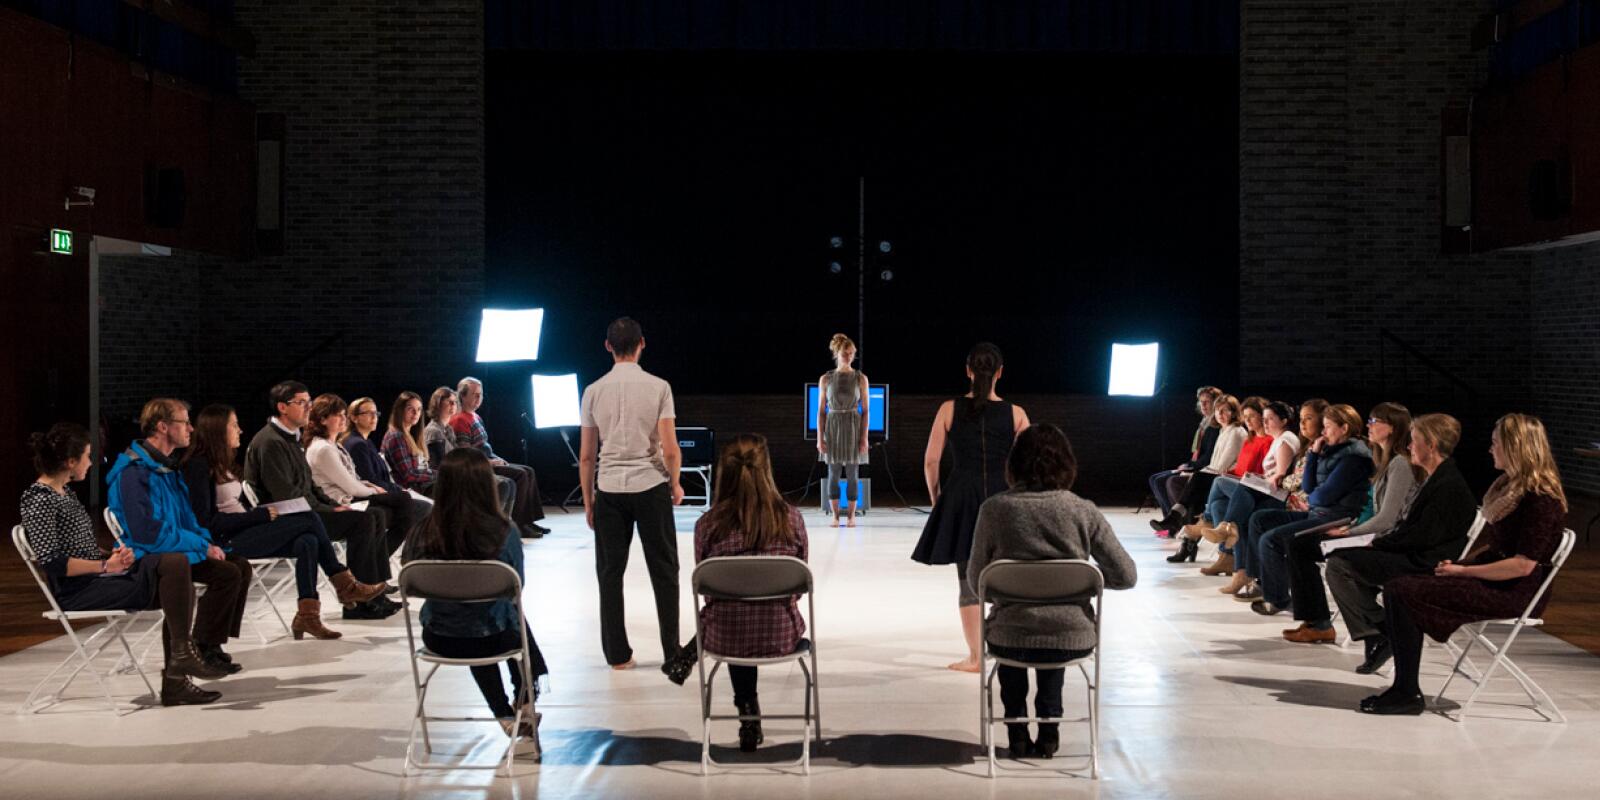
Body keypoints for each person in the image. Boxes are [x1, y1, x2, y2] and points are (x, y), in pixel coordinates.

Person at [1360, 413, 1568, 715]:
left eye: (1495, 443)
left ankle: (1406, 690)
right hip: (1497, 580)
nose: (1490, 449)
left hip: (1515, 591)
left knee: (1402, 590)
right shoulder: (1510, 489)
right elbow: (1498, 547)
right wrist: (1459, 564)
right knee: (1402, 586)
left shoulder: (1539, 499)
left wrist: (1463, 570)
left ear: (1515, 446)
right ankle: (1404, 687)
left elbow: (1522, 565)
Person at [22, 423, 228, 706]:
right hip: (77, 590)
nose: (91, 463)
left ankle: (178, 672)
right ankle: (179, 667)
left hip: (97, 577)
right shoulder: (39, 500)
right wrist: (106, 567)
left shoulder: (65, 493)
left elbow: (79, 546)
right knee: (175, 576)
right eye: (87, 456)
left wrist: (111, 555)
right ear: (70, 462)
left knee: (179, 578)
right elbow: (53, 562)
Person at [968, 424, 1137, 759]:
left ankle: (1016, 734)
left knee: (1019, 638)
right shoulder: (1082, 509)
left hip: (1008, 636)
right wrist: (1084, 579)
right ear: (1066, 464)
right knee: (1054, 634)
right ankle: (1049, 733)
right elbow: (1126, 574)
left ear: (1014, 463)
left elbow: (977, 583)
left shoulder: (995, 509)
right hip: (1071, 637)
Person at [183, 404, 386, 640]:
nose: (239, 430)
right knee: (309, 519)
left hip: (245, 527)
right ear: (217, 431)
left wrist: (258, 514)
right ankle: (343, 582)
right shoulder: (198, 467)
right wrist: (259, 515)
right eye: (234, 425)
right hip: (224, 540)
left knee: (308, 540)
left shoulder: (222, 464)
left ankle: (308, 615)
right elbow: (207, 521)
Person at [403, 448, 549, 738]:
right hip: (494, 639)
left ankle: (503, 712)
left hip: (439, 639)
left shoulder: (422, 530)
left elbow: (409, 578)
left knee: (473, 621)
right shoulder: (503, 530)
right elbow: (516, 585)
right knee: (506, 620)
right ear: (487, 484)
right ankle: (525, 696)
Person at [106, 399, 252, 677]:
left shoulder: (167, 468)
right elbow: (147, 533)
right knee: (223, 572)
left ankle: (207, 645)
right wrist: (199, 545)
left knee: (237, 567)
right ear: (163, 426)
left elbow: (188, 519)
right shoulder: (134, 472)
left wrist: (206, 543)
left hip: (176, 549)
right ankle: (191, 654)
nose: (191, 428)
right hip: (148, 555)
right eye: (184, 422)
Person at [911, 343, 1032, 673]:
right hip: (1004, 497)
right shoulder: (1017, 414)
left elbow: (931, 461)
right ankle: (1011, 645)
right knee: (1007, 573)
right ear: (1000, 373)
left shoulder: (949, 408)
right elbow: (1029, 465)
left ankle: (977, 658)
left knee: (968, 579)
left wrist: (938, 499)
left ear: (968, 370)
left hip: (961, 497)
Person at [686, 434, 809, 752]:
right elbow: (800, 584)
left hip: (724, 637)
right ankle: (750, 716)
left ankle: (748, 715)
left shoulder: (708, 525)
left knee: (732, 619)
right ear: (766, 469)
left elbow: (705, 586)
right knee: (748, 617)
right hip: (780, 635)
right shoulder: (791, 520)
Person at [579, 316, 687, 672]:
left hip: (609, 487)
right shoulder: (659, 386)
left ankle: (617, 654)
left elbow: (587, 455)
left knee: (610, 572)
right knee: (664, 570)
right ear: (643, 343)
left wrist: (588, 500)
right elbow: (670, 448)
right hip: (650, 484)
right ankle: (672, 652)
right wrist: (674, 482)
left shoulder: (593, 390)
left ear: (608, 346)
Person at [244, 381, 399, 620]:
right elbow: (287, 495)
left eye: (309, 402)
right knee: (365, 520)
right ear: (282, 407)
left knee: (375, 515)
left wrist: (332, 505)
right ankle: (357, 600)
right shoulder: (271, 443)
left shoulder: (290, 438)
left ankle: (371, 593)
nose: (308, 407)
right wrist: (328, 508)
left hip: (308, 511)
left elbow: (310, 484)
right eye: (302, 402)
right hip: (288, 517)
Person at [1274, 402, 1418, 645]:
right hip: (1358, 526)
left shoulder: (1395, 463)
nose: (1369, 426)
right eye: (1369, 421)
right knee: (1297, 544)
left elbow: (1387, 518)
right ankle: (1320, 622)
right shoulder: (1381, 459)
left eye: (1375, 422)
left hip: (1377, 536)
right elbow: (1312, 490)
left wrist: (1350, 532)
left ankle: (1353, 626)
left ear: (1392, 428)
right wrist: (1314, 455)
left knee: (1304, 548)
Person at [1246, 404, 1373, 619]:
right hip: (1318, 512)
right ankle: (1265, 583)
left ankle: (1278, 599)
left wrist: (1314, 495)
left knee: (1271, 539)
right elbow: (1308, 487)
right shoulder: (1326, 451)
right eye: (1323, 426)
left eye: (1328, 427)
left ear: (1344, 428)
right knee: (1260, 520)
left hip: (1335, 518)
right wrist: (1314, 455)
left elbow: (1323, 495)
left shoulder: (1355, 458)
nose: (1323, 432)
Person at [303, 394, 421, 575]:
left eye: (344, 414)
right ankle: (374, 574)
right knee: (401, 505)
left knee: (400, 507)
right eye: (339, 415)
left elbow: (355, 478)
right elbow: (351, 487)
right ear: (323, 419)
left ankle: (376, 577)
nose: (344, 418)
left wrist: (372, 488)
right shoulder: (324, 449)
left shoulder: (333, 445)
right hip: (341, 502)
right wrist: (376, 492)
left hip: (352, 496)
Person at [1199, 401, 1300, 589]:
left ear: (1284, 420)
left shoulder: (1286, 439)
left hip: (1275, 497)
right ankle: (1237, 566)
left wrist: (1259, 479)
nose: (1266, 422)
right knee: (1218, 506)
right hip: (1264, 491)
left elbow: (1279, 475)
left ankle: (1217, 526)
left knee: (1221, 483)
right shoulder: (1278, 439)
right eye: (1265, 419)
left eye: (1270, 419)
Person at [452, 376, 551, 538]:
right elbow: (466, 453)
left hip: (490, 460)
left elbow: (485, 446)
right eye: (475, 394)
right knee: (521, 475)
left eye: (480, 394)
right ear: (463, 396)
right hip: (480, 466)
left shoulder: (476, 417)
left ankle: (528, 520)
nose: (479, 398)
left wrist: (498, 458)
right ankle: (518, 524)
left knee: (529, 470)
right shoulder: (459, 420)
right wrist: (491, 462)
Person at [1163, 394, 1245, 561]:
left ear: (1234, 412)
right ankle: (1186, 542)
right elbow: (1214, 463)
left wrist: (1199, 472)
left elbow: (1221, 466)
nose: (1220, 414)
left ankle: (1178, 523)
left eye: (1225, 411)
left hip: (1228, 478)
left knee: (1197, 481)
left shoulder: (1236, 432)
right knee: (1194, 495)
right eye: (1217, 411)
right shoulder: (1223, 431)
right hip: (1217, 476)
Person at [426, 387, 516, 519]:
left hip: (459, 471)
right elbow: (441, 464)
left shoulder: (448, 429)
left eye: (455, 402)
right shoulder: (434, 431)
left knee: (510, 484)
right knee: (502, 485)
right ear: (438, 404)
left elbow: (460, 455)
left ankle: (501, 528)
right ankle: (490, 528)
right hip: (448, 477)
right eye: (449, 402)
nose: (453, 405)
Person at [1148, 386, 1222, 535]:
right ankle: (1170, 522)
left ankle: (1178, 523)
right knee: (1155, 479)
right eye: (1201, 402)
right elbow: (1198, 453)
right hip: (1197, 466)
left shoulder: (1215, 427)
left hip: (1204, 469)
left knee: (1168, 481)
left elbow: (1208, 458)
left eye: (1207, 402)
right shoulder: (1204, 423)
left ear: (1216, 404)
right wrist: (1188, 464)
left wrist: (1189, 466)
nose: (1203, 406)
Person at [344, 396, 433, 515]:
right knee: (427, 506)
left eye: (376, 413)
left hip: (389, 489)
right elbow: (370, 479)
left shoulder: (366, 442)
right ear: (354, 418)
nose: (374, 417)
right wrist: (399, 490)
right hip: (375, 495)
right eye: (368, 413)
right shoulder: (357, 444)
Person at [815, 334, 870, 527]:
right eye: (844, 353)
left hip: (853, 425)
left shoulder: (860, 378)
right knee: (834, 473)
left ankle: (851, 516)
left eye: (851, 353)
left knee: (853, 474)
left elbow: (866, 410)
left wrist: (864, 437)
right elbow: (821, 411)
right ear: (836, 353)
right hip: (833, 425)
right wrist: (819, 439)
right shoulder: (826, 379)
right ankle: (836, 516)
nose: (848, 356)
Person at [382, 391, 435, 494]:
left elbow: (422, 468)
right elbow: (409, 475)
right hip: (408, 492)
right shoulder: (396, 436)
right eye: (410, 409)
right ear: (400, 410)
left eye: (419, 409)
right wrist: (440, 474)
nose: (416, 413)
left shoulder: (410, 435)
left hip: (420, 487)